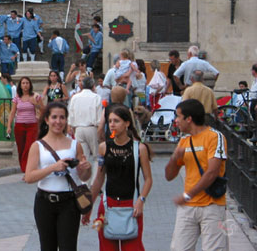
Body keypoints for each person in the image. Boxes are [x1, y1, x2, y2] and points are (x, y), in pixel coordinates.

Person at [84, 105, 153, 251]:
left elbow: (148, 179)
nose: (112, 124)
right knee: (107, 248)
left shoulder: (139, 149)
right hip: (108, 205)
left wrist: (141, 200)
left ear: (127, 123)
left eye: (116, 121)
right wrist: (88, 206)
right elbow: (98, 179)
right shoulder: (104, 147)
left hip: (131, 205)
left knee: (133, 247)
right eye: (110, 121)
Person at [24, 101, 92, 251]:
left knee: (68, 246)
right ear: (47, 120)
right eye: (54, 117)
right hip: (44, 202)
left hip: (69, 202)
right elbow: (29, 177)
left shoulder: (75, 145)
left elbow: (84, 177)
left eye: (62, 117)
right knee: (47, 247)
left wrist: (86, 168)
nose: (58, 121)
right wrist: (53, 167)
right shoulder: (38, 146)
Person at [165, 99, 228, 251]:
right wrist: (174, 157)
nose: (176, 121)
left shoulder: (215, 137)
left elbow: (212, 172)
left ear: (189, 119)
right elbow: (169, 176)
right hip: (188, 208)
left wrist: (188, 195)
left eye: (178, 116)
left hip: (212, 205)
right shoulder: (184, 141)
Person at [6, 77, 43, 174]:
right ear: (20, 85)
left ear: (30, 85)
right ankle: (24, 168)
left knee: (29, 148)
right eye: (23, 83)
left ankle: (28, 170)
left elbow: (43, 110)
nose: (25, 85)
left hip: (32, 125)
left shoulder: (35, 96)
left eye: (27, 83)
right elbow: (12, 112)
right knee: (21, 149)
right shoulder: (17, 98)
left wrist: (36, 104)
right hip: (19, 125)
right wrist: (9, 126)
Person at [69, 77, 103, 180]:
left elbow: (71, 114)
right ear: (93, 85)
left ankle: (85, 182)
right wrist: (100, 132)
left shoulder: (75, 97)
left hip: (79, 128)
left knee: (84, 156)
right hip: (92, 127)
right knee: (97, 156)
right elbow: (99, 116)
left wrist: (72, 127)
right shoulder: (96, 97)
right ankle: (94, 181)